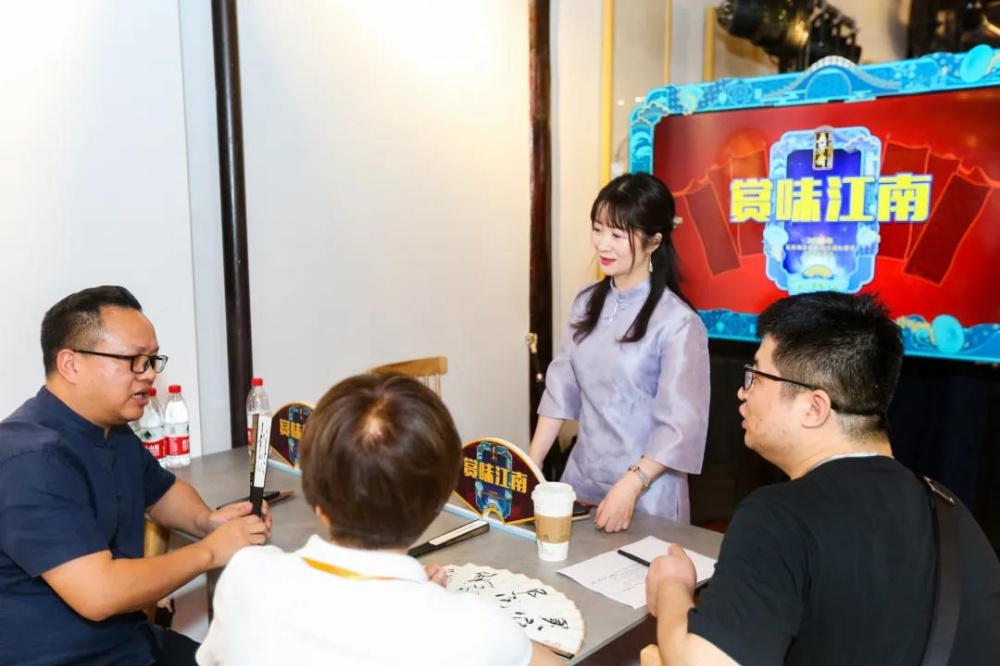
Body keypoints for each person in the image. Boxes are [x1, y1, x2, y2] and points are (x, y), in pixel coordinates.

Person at [645, 292, 1000, 665]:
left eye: (756, 377)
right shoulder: (946, 506)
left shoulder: (779, 516)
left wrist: (672, 587)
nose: (742, 392)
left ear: (814, 408)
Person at [197, 373, 561, 666]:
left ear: (315, 497)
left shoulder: (245, 576)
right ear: (437, 505)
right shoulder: (478, 629)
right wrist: (440, 610)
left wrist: (421, 600)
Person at [0, 286, 270, 666]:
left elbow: (161, 491)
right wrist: (211, 550)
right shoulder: (31, 459)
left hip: (129, 641)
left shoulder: (112, 430)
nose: (149, 375)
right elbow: (100, 594)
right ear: (71, 364)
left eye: (152, 360)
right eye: (134, 361)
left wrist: (206, 521)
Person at [529, 172, 710, 532]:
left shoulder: (678, 322)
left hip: (647, 492)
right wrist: (529, 469)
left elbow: (680, 425)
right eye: (598, 230)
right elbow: (560, 390)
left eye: (617, 234)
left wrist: (632, 485)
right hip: (582, 481)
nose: (602, 244)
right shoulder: (585, 303)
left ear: (654, 241)